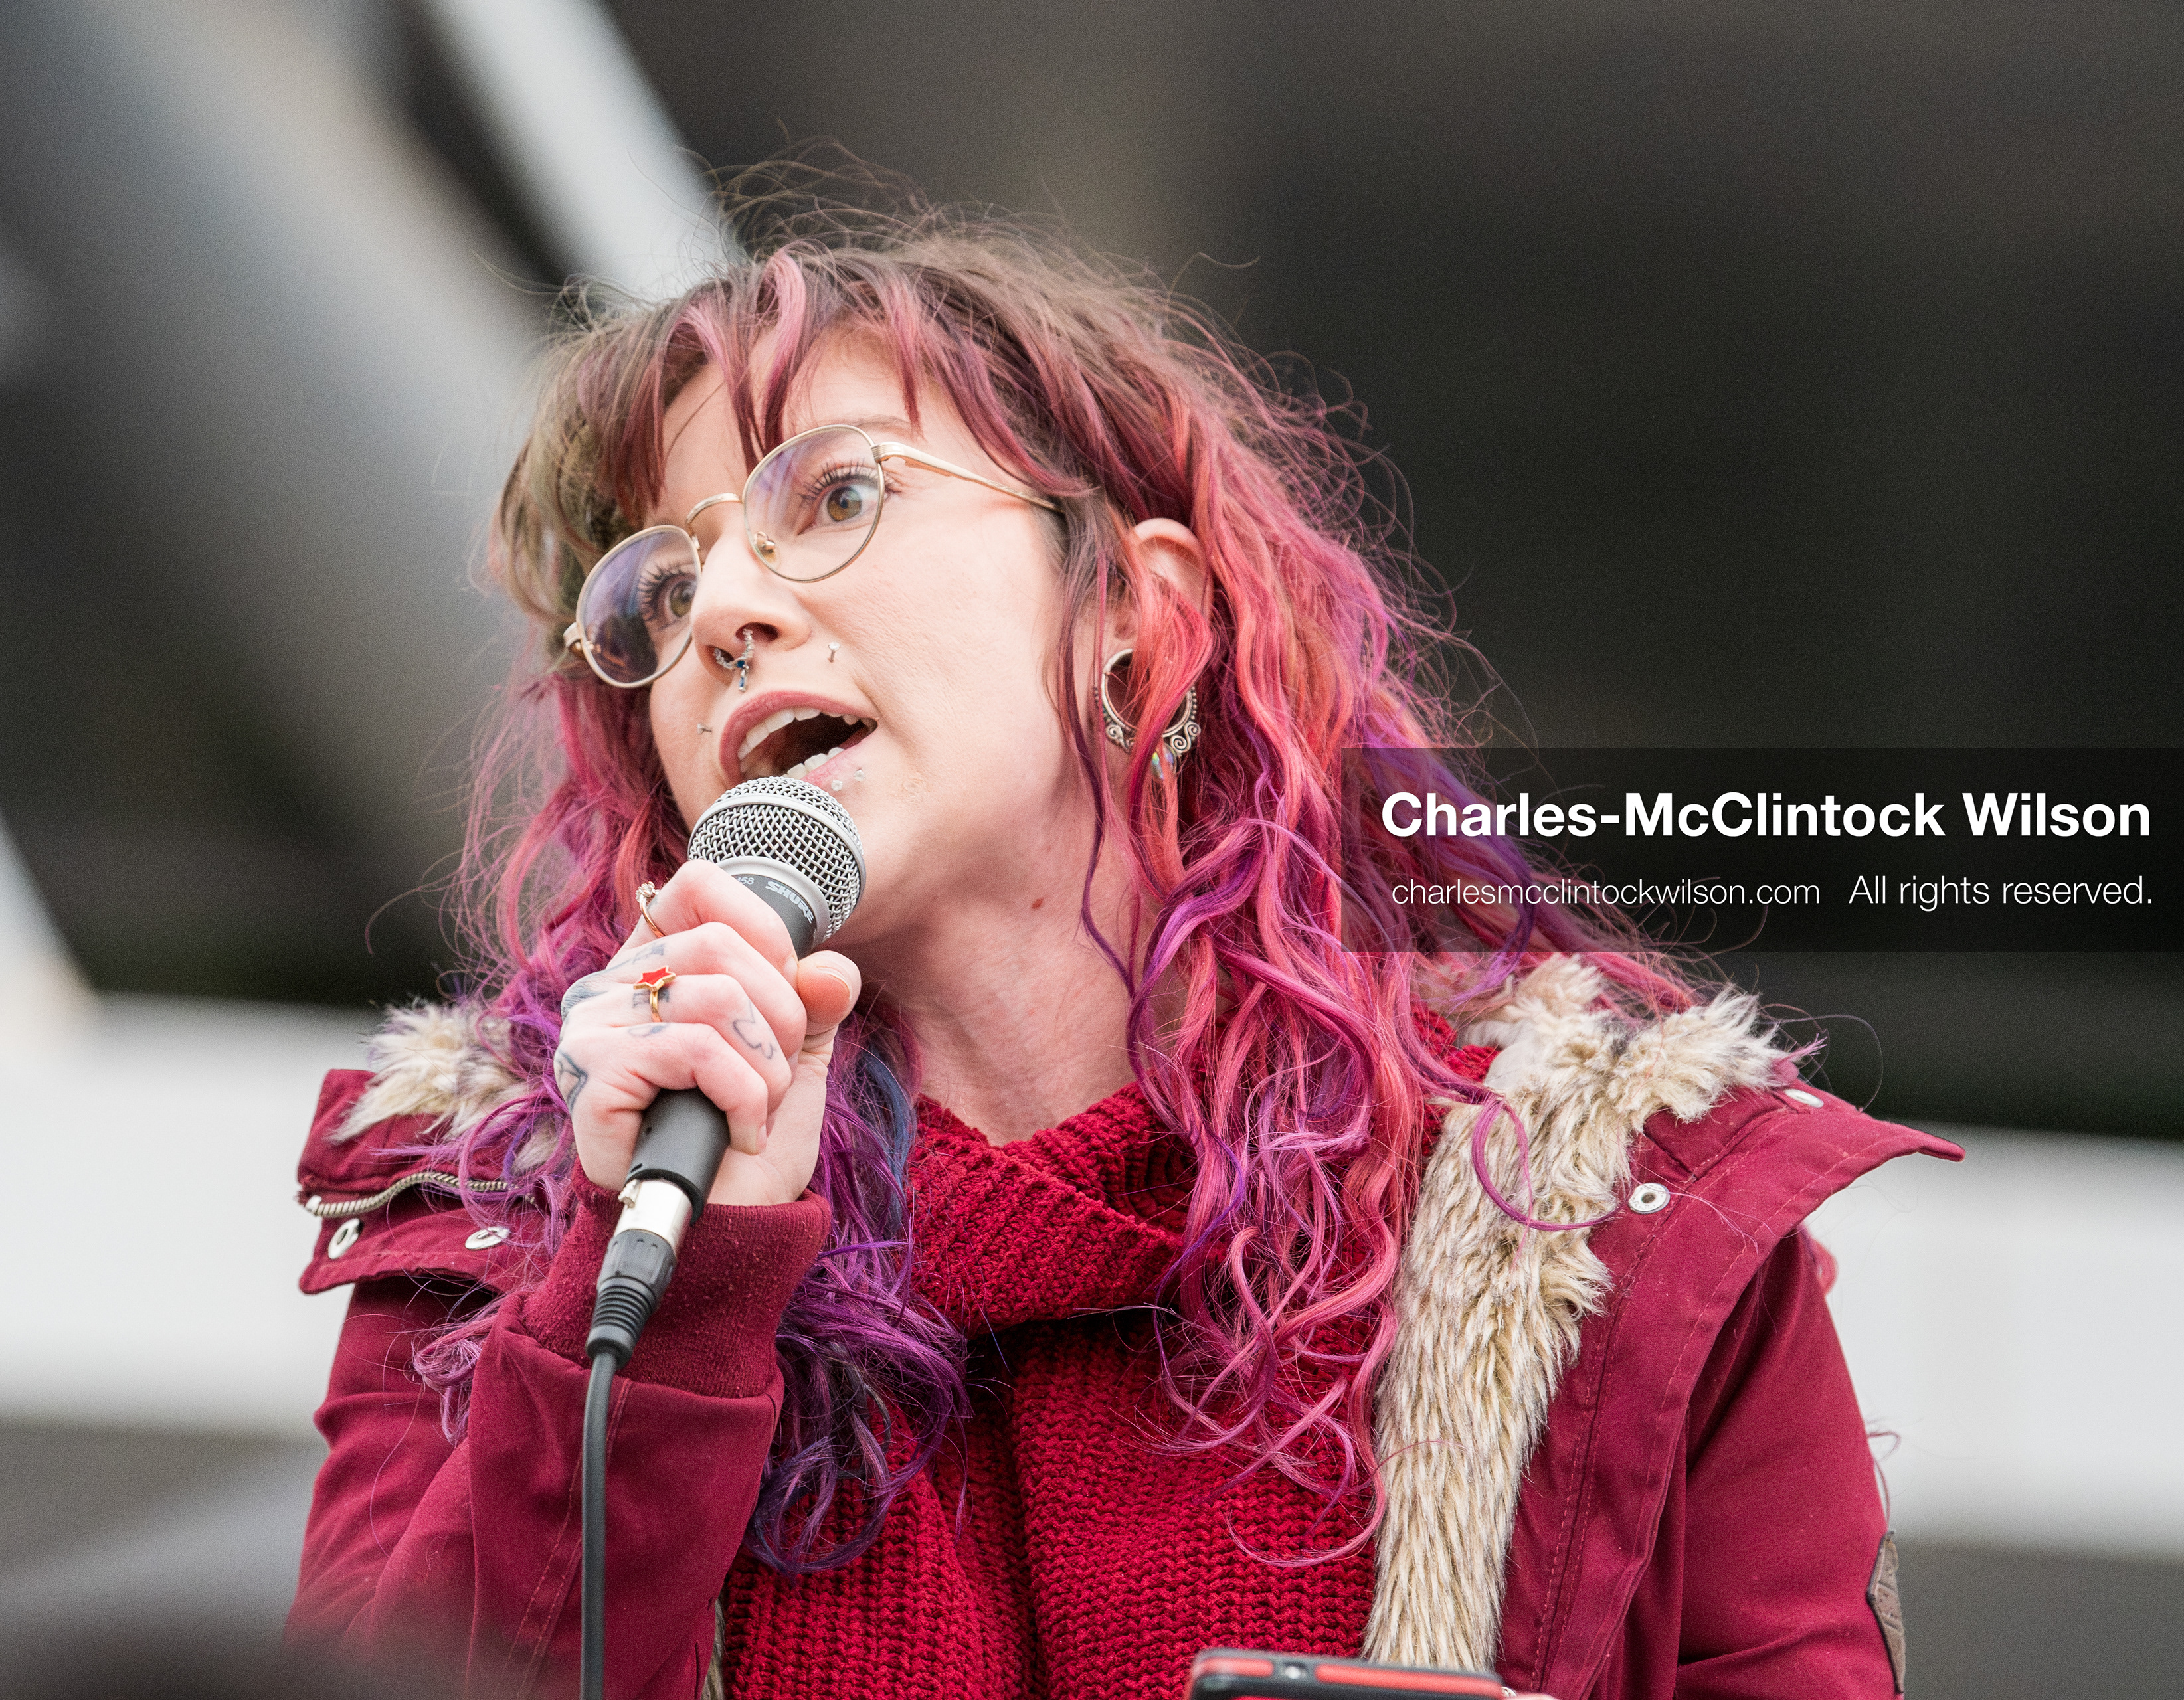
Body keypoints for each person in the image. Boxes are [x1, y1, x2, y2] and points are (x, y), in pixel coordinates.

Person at [284, 198, 1952, 1700]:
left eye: (839, 493)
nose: (722, 607)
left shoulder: (1603, 1220)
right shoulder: (515, 1215)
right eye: (660, 586)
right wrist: (674, 1280)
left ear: (1134, 621)